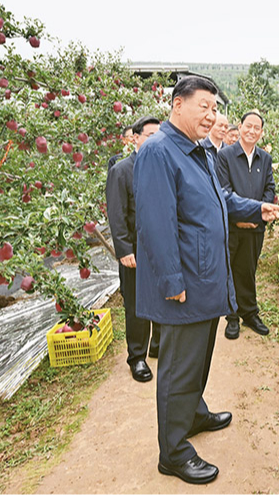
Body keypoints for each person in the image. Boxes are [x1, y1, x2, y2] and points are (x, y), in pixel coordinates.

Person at [134, 76, 279, 485]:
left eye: (215, 108)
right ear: (177, 105)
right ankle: (173, 452)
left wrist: (256, 208)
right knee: (178, 368)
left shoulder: (198, 151)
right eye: (204, 106)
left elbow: (221, 199)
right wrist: (171, 281)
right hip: (184, 283)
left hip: (203, 278)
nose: (212, 115)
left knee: (198, 359)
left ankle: (194, 413)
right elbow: (156, 224)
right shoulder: (159, 152)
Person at [106, 115, 162, 382]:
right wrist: (124, 249)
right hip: (135, 250)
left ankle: (157, 344)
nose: (156, 140)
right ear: (136, 138)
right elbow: (116, 215)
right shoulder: (121, 170)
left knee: (163, 296)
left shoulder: (162, 166)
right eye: (151, 135)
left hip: (160, 247)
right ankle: (137, 356)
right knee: (137, 304)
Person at [216, 110, 275, 340]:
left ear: (261, 132)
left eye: (256, 128)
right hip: (233, 226)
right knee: (230, 270)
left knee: (248, 270)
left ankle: (249, 313)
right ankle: (232, 317)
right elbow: (224, 190)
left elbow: (269, 188)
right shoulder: (225, 156)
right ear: (239, 127)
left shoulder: (264, 158)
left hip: (255, 227)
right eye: (247, 126)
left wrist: (258, 215)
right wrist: (241, 216)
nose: (251, 131)